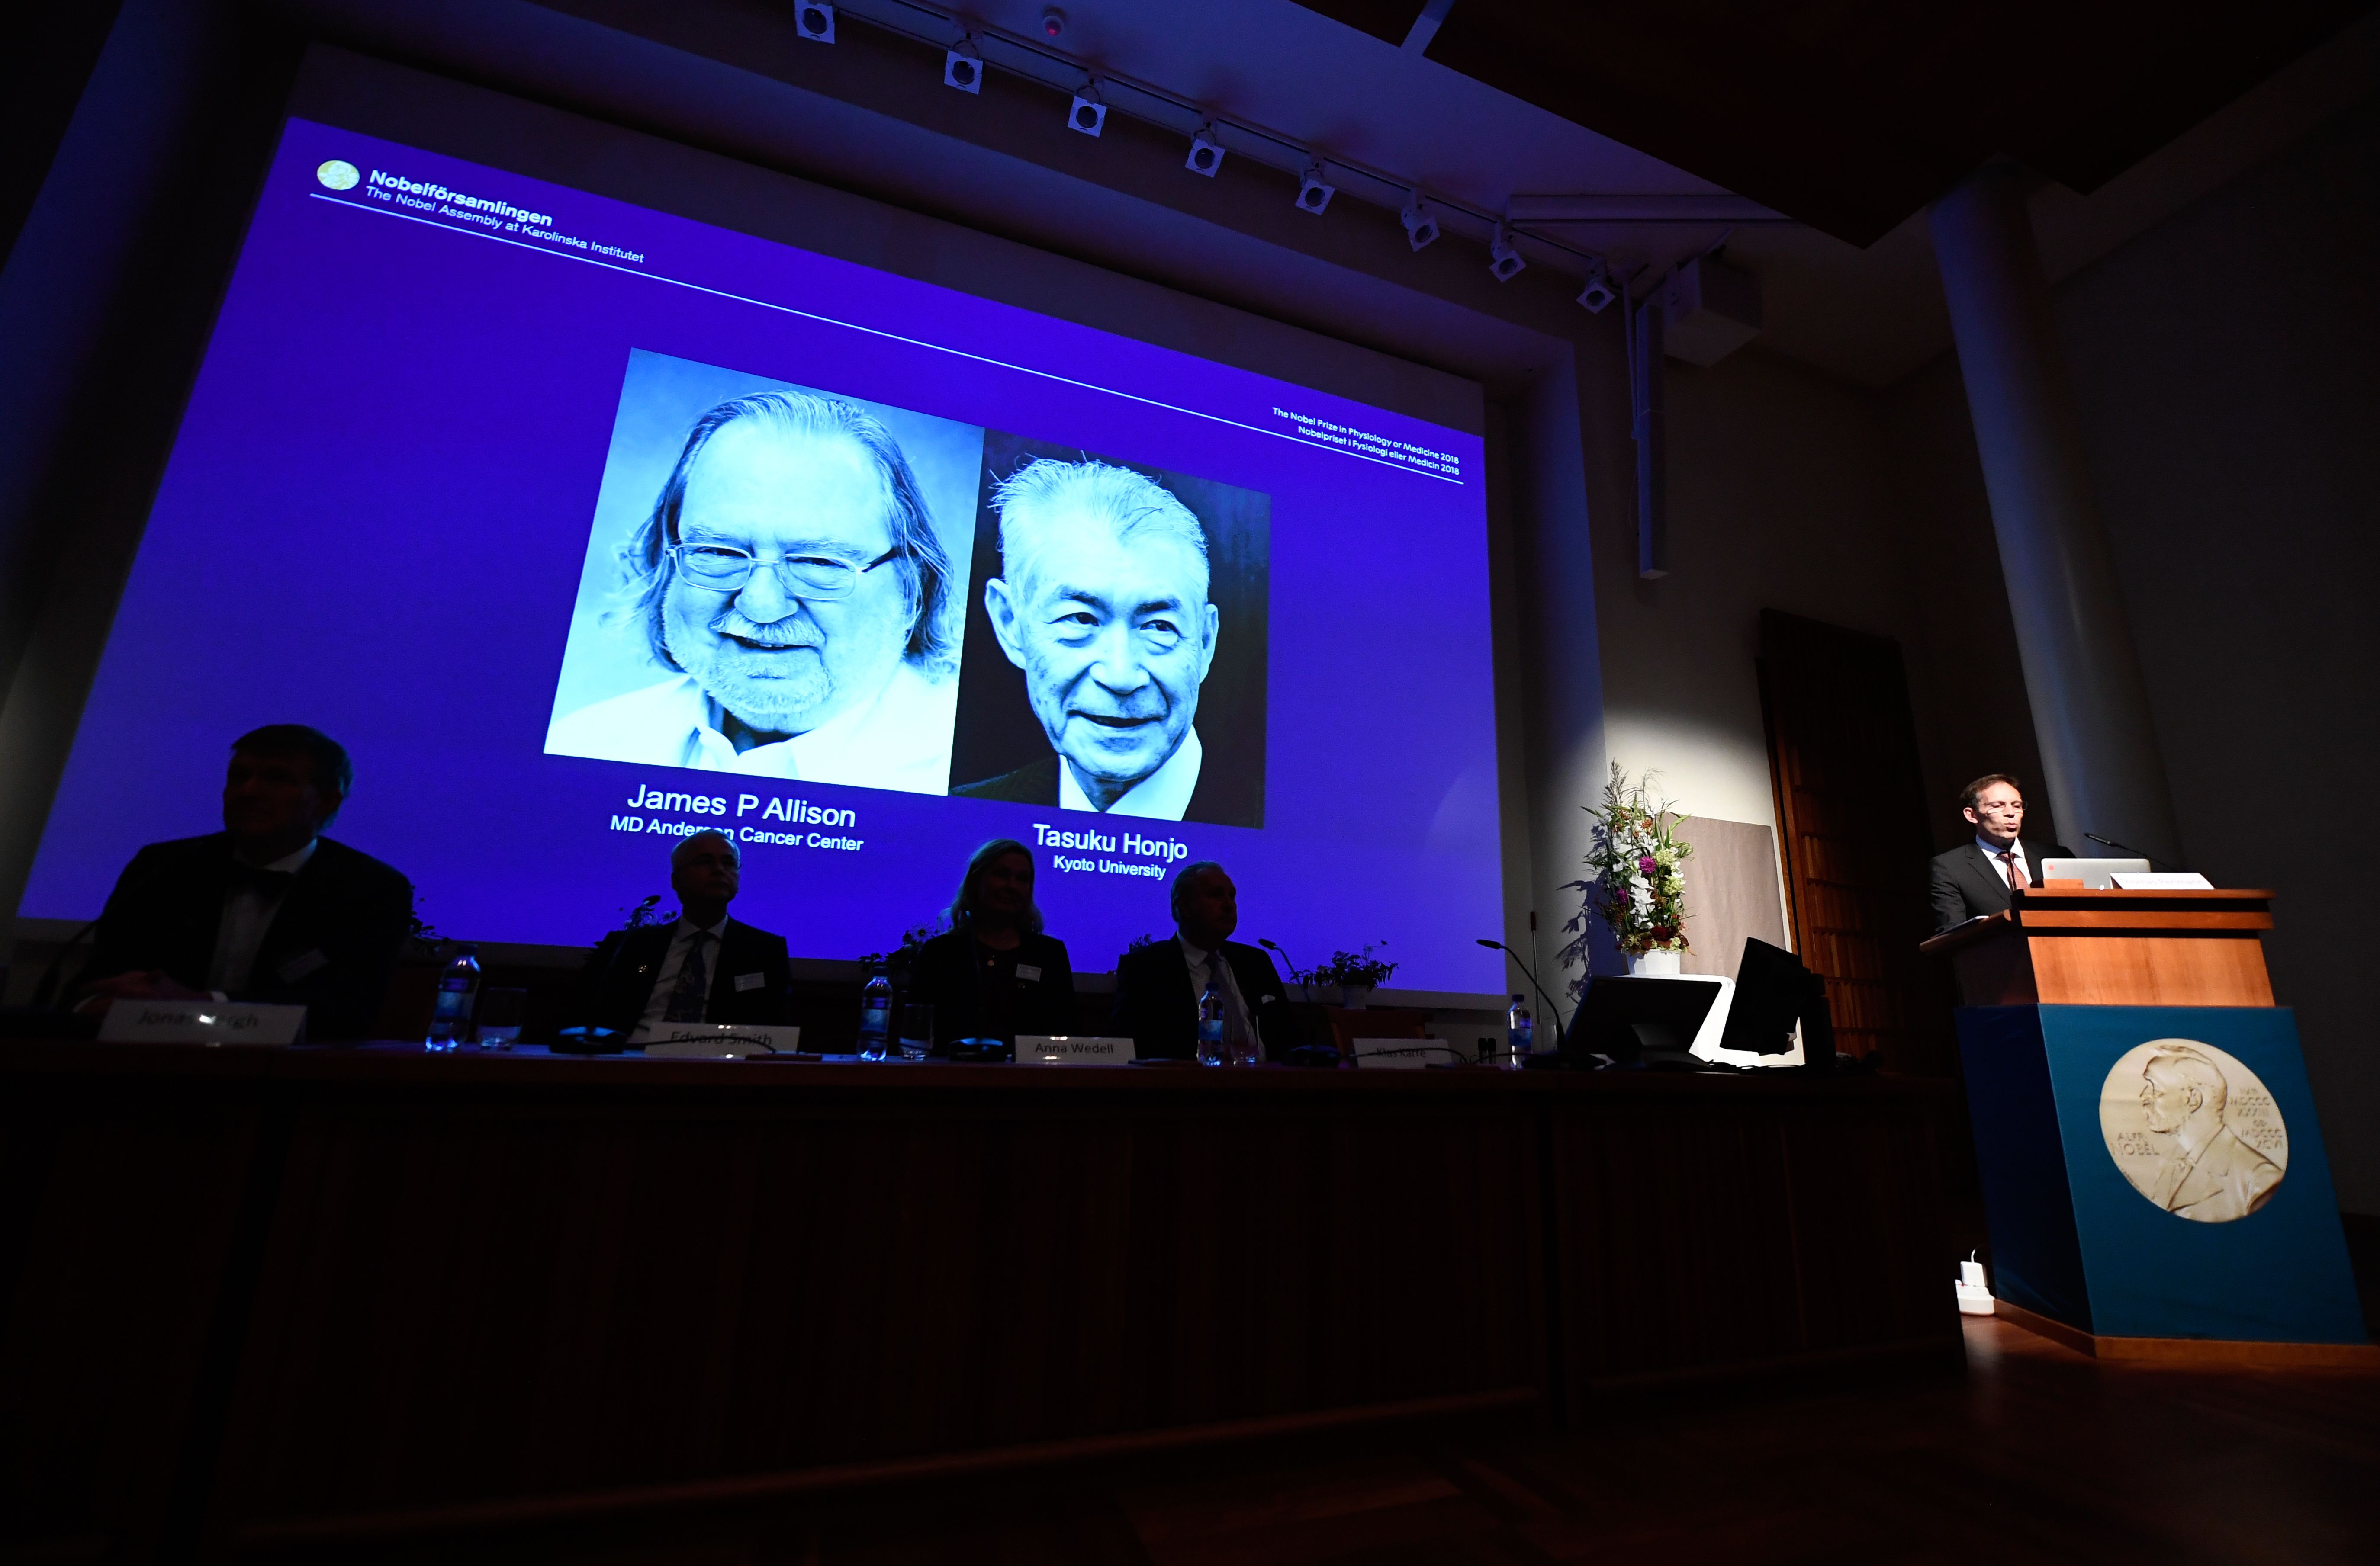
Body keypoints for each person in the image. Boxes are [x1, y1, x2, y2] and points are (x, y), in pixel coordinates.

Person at [547, 390, 961, 792]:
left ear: (912, 588)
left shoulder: (965, 771)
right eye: (718, 552)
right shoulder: (579, 743)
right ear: (665, 561)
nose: (762, 605)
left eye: (818, 562)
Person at [955, 458, 1251, 824]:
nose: (1121, 676)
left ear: (1205, 642)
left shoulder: (1299, 830)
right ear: (1010, 623)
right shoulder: (962, 814)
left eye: (1159, 626)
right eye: (1080, 619)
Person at [76, 725, 412, 1040]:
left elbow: (345, 1013)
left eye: (276, 779)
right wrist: (91, 1004)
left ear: (326, 801)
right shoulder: (165, 866)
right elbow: (99, 978)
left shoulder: (370, 888)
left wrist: (205, 1004)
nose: (248, 791)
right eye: (239, 777)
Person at [579, 830, 793, 1043]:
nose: (719, 870)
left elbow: (775, 1030)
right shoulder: (629, 946)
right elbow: (589, 1015)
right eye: (704, 862)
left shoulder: (764, 950)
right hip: (629, 1060)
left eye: (728, 863)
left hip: (719, 1065)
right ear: (676, 880)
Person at [1111, 860, 1299, 1060]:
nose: (1229, 905)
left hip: (1267, 1083)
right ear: (1184, 906)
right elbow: (1130, 1047)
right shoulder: (1146, 967)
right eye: (1216, 895)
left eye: (1232, 896)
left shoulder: (1255, 963)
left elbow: (1289, 1039)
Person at [907, 838, 1078, 1053]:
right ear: (976, 880)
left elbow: (1066, 1034)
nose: (1012, 886)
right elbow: (917, 1036)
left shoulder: (1049, 955)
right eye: (1002, 875)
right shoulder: (941, 953)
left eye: (1022, 879)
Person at [2131, 1046, 2284, 1222]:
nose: (2144, 1096)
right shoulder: (2169, 1164)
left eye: (2155, 1089)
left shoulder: (2259, 1181)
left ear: (2193, 1100)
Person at [1929, 773, 2076, 932]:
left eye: (2017, 806)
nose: (2011, 813)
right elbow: (1952, 933)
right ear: (1972, 815)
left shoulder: (2059, 856)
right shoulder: (1950, 868)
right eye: (1998, 806)